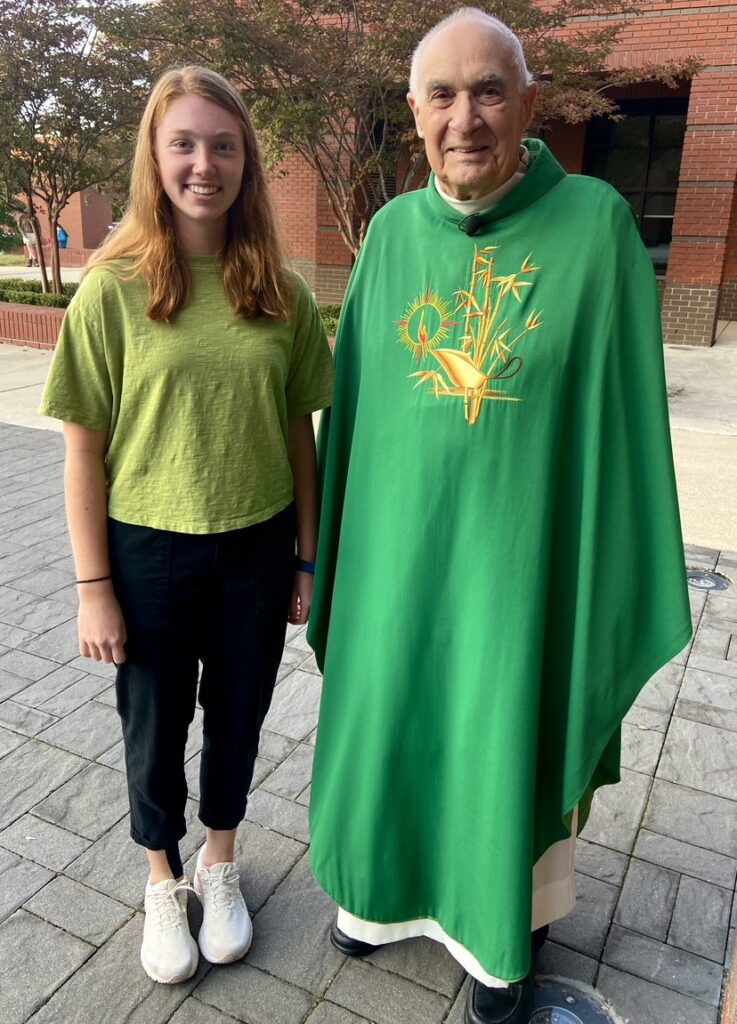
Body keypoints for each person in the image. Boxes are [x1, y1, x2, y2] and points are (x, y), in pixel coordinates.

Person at [306, 9, 691, 1024]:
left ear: (527, 103)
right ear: (413, 111)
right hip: (397, 563)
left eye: (487, 92)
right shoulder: (389, 236)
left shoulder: (594, 227)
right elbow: (356, 418)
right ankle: (377, 899)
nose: (464, 118)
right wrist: (328, 556)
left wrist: (597, 572)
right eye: (441, 95)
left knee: (500, 726)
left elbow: (618, 423)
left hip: (520, 567)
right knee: (388, 714)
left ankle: (498, 931)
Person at [40, 65, 333, 987]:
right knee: (154, 724)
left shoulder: (280, 292)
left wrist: (307, 560)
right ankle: (161, 878)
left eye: (223, 146)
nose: (204, 164)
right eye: (184, 144)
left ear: (246, 162)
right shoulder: (112, 289)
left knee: (238, 715)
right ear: (155, 158)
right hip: (146, 549)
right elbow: (82, 452)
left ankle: (220, 860)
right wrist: (94, 588)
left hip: (256, 546)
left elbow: (299, 437)